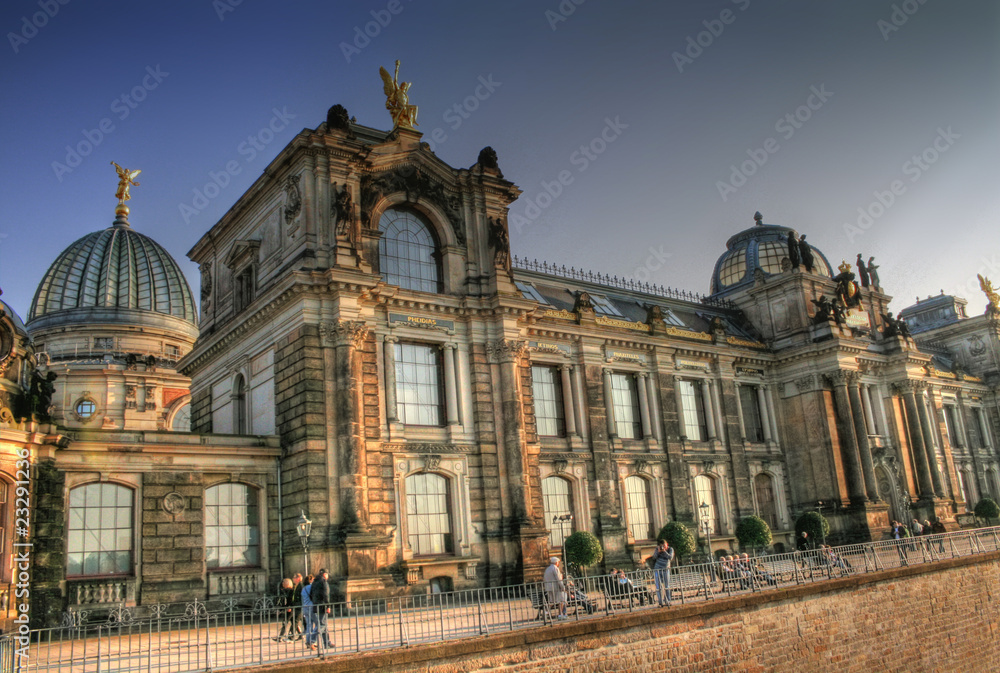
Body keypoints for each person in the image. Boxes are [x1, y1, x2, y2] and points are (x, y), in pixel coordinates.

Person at [310, 568, 333, 649]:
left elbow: (310, 594)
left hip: (316, 605)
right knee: (322, 624)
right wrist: (328, 606)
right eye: (327, 575)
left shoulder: (314, 582)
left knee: (324, 624)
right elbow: (326, 595)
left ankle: (327, 642)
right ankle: (312, 640)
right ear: (324, 574)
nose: (327, 576)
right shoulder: (324, 582)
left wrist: (315, 602)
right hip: (323, 606)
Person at [650, 540, 674, 606]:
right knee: (658, 587)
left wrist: (664, 551)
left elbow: (670, 557)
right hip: (657, 569)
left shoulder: (670, 549)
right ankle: (660, 602)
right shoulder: (657, 549)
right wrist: (658, 552)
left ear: (667, 544)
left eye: (664, 545)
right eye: (661, 546)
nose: (663, 547)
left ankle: (668, 601)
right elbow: (654, 557)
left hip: (666, 570)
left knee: (667, 586)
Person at [300, 574, 317, 650]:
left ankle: (307, 641)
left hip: (305, 608)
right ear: (311, 580)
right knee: (319, 624)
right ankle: (311, 641)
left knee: (309, 625)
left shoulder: (303, 589)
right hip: (312, 607)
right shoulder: (311, 587)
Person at [289, 573, 303, 640]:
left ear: (298, 578)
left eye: (294, 578)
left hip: (299, 606)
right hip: (296, 605)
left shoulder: (301, 586)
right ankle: (300, 635)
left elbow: (301, 596)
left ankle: (291, 636)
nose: (293, 579)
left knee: (295, 621)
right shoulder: (296, 586)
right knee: (296, 620)